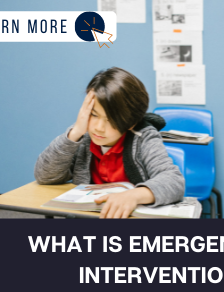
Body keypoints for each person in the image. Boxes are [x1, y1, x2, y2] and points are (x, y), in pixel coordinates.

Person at [34, 67, 185, 218]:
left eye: (111, 120)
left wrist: (133, 196)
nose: (98, 128)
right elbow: (45, 176)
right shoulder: (83, 135)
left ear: (131, 122)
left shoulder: (143, 137)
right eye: (94, 115)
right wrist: (75, 133)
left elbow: (174, 181)